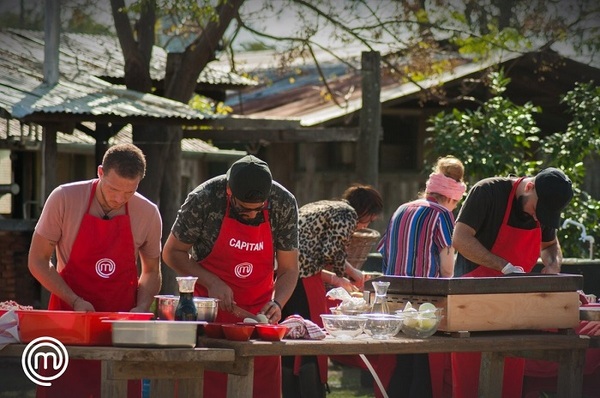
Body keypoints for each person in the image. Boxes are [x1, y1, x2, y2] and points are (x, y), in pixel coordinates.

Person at [28, 143, 163, 398]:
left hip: (121, 326)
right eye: (113, 189)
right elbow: (37, 261)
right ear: (100, 172)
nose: (119, 198)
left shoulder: (148, 213)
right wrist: (75, 300)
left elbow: (152, 270)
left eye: (129, 192)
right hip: (69, 320)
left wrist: (143, 307)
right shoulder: (64, 198)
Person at [162, 154, 299, 398]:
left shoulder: (283, 202)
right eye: (244, 210)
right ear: (228, 191)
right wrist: (212, 281)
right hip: (208, 319)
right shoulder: (204, 199)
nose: (251, 215)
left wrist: (278, 303)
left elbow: (289, 269)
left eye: (258, 209)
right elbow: (172, 253)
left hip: (259, 322)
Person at [450, 167, 574, 398]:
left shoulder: (544, 208)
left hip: (515, 311)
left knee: (510, 378)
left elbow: (550, 246)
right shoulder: (487, 191)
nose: (539, 218)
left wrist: (553, 265)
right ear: (529, 187)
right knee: (471, 380)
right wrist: (504, 267)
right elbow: (460, 238)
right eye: (537, 210)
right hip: (471, 303)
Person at [280, 184, 384, 398]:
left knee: (291, 334)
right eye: (369, 219)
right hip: (302, 279)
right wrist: (349, 275)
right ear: (363, 209)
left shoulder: (322, 205)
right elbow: (332, 252)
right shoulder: (346, 213)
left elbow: (312, 255)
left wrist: (340, 278)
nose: (365, 225)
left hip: (285, 275)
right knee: (311, 335)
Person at [377, 156, 466, 398]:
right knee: (423, 368)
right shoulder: (442, 215)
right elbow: (447, 269)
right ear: (450, 197)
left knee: (404, 364)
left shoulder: (401, 209)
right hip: (425, 301)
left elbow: (385, 253)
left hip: (394, 299)